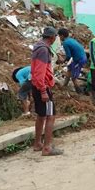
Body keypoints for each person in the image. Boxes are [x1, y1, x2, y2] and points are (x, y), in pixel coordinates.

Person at [31, 27, 63, 156]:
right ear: (52, 37)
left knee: (41, 115)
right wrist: (44, 90)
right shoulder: (44, 50)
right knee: (51, 116)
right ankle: (47, 147)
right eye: (55, 37)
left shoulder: (38, 47)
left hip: (36, 86)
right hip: (42, 87)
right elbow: (40, 73)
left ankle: (38, 143)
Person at [58, 28, 87, 94]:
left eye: (59, 36)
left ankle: (79, 92)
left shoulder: (65, 43)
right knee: (69, 69)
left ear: (62, 35)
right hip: (80, 57)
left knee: (74, 78)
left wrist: (62, 61)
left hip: (80, 60)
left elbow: (68, 56)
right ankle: (64, 85)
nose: (59, 38)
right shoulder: (71, 39)